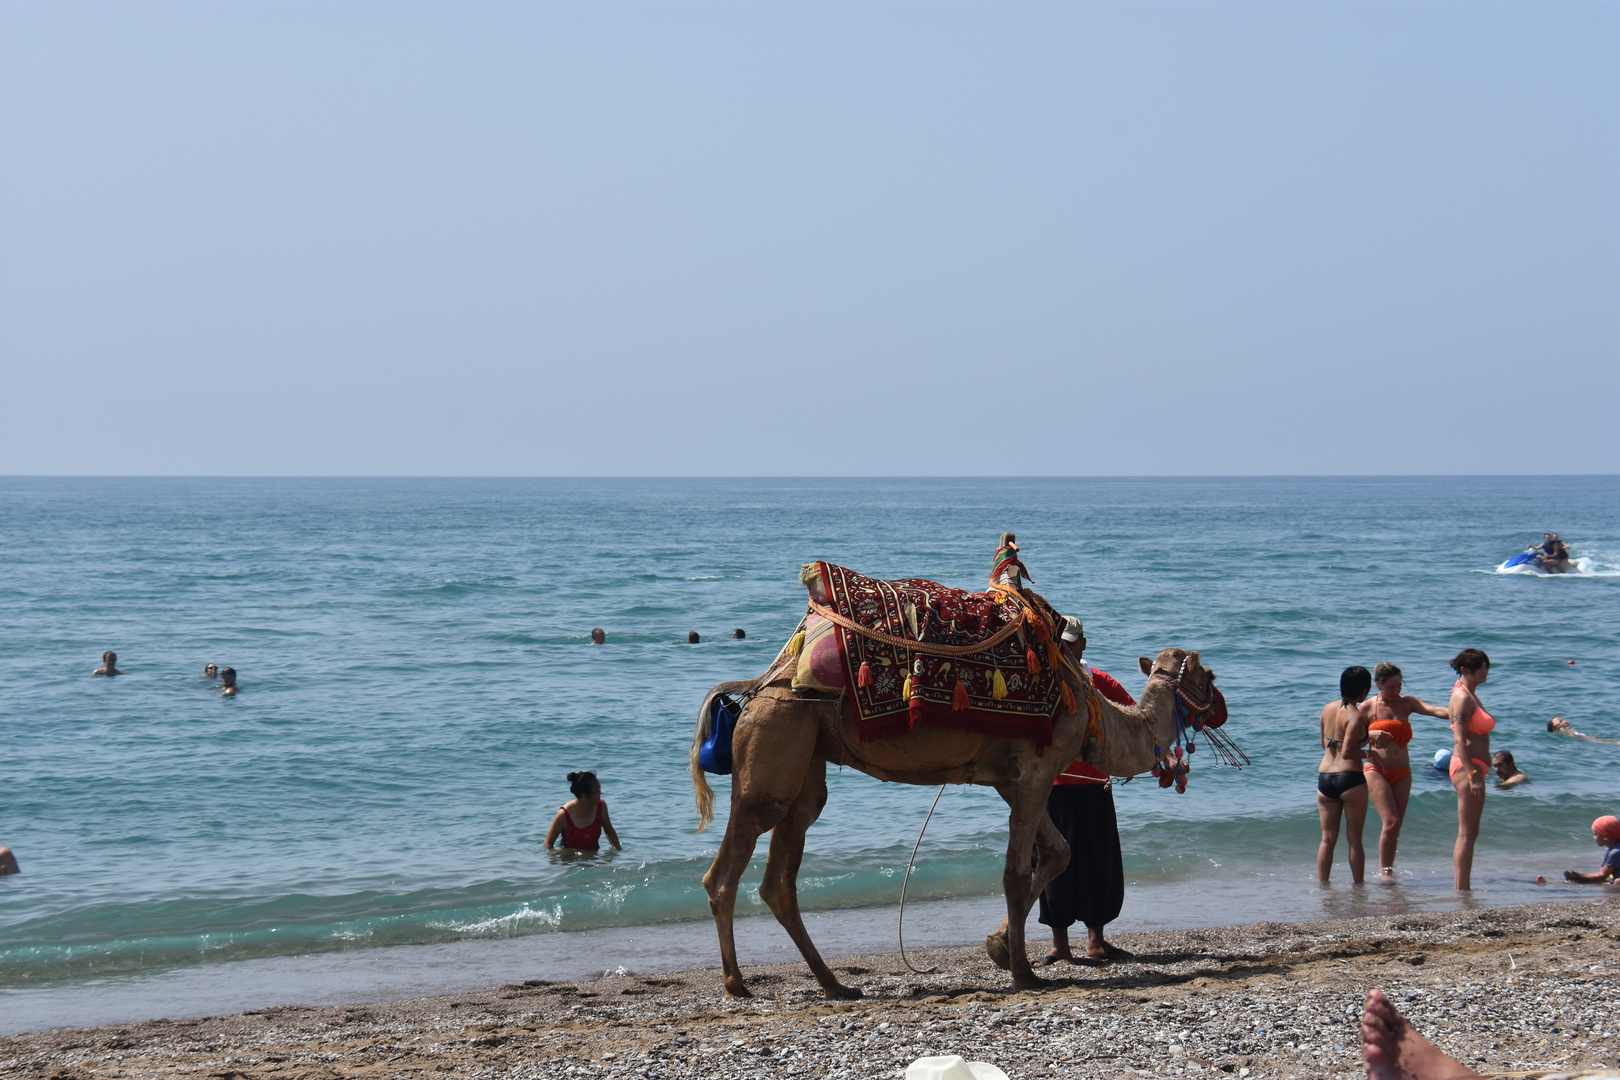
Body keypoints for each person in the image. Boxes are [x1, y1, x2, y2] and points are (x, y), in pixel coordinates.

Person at [1036, 617, 1131, 964]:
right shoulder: (1042, 683)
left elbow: (1132, 720)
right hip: (1052, 787)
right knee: (1050, 864)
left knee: (1098, 863)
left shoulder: (1101, 682)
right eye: (1060, 643)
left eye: (1072, 643)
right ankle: (1060, 946)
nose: (1066, 649)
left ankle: (1096, 941)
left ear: (1083, 644)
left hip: (1095, 786)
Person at [1360, 663, 1452, 877]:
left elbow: (1436, 711)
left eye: (1399, 686)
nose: (1396, 691)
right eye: (1391, 687)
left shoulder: (1407, 703)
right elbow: (1349, 740)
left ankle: (1389, 869)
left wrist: (1460, 713)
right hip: (1376, 770)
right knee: (1391, 822)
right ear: (1378, 685)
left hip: (1402, 772)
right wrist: (1370, 736)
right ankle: (1385, 873)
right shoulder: (1367, 708)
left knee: (1396, 827)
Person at [1318, 666, 1372, 884]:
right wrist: (1370, 752)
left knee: (1327, 840)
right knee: (1354, 841)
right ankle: (1359, 887)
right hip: (1350, 779)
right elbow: (1349, 753)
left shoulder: (1327, 708)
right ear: (1363, 690)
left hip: (1325, 779)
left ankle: (1324, 887)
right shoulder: (1355, 716)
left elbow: (1324, 743)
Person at [1447, 648, 1495, 891]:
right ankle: (1461, 889)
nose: (1485, 671)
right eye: (1481, 667)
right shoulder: (1463, 697)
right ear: (1465, 670)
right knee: (1466, 833)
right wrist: (1473, 775)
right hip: (1468, 768)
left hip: (1475, 767)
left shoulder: (1467, 693)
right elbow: (1458, 739)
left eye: (1487, 666)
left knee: (1472, 832)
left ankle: (1463, 887)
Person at [545, 771, 621, 853]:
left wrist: (619, 851)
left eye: (600, 790)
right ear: (584, 795)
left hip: (593, 857)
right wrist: (555, 857)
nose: (600, 794)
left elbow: (609, 830)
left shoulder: (601, 806)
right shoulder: (564, 814)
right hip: (570, 861)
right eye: (596, 791)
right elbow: (548, 843)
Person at [1562, 815, 1620, 884]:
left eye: (1595, 834)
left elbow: (1603, 875)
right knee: (1604, 882)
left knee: (1617, 882)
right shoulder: (1609, 849)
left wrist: (1581, 877)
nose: (1594, 837)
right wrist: (1583, 877)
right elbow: (1602, 872)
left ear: (1605, 837)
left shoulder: (1615, 852)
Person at [1548, 716, 1620, 746]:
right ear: (1554, 729)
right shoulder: (1565, 733)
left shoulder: (1569, 732)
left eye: (1563, 720)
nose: (1565, 722)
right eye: (1560, 721)